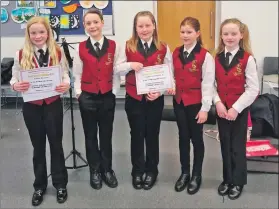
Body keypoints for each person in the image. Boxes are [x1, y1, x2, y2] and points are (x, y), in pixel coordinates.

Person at [10, 16, 69, 206]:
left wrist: (65, 85)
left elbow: (65, 75)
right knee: (38, 147)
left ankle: (60, 184)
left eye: (41, 32)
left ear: (48, 33)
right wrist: (16, 85)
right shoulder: (21, 54)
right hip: (32, 107)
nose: (38, 36)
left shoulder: (57, 52)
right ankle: (39, 186)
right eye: (33, 33)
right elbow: (14, 79)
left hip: (53, 104)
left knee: (56, 144)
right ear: (28, 34)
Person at [114, 11, 173, 190]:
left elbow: (169, 74)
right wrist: (130, 65)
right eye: (140, 26)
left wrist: (160, 91)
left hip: (155, 99)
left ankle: (152, 170)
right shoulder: (127, 46)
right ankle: (137, 171)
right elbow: (116, 69)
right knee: (137, 134)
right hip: (134, 98)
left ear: (154, 26)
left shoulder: (163, 47)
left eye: (148, 25)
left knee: (152, 135)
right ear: (135, 28)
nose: (144, 29)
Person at [73, 9, 128, 190]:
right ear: (84, 26)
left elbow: (117, 71)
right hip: (87, 97)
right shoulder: (81, 48)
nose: (92, 26)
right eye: (88, 23)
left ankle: (107, 170)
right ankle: (94, 170)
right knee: (90, 136)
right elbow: (77, 74)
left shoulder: (114, 46)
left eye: (95, 22)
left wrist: (113, 91)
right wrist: (80, 93)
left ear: (102, 23)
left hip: (106, 97)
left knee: (106, 135)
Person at [214, 18, 259, 200]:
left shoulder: (247, 59)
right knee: (225, 144)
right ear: (221, 36)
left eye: (233, 34)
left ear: (241, 35)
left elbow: (253, 88)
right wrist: (217, 102)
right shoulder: (216, 57)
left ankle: (238, 181)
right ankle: (227, 179)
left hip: (238, 112)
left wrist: (236, 108)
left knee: (237, 147)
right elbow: (211, 84)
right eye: (226, 34)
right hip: (221, 110)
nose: (229, 37)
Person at [168, 17, 215, 195]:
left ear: (197, 33)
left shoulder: (205, 56)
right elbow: (171, 74)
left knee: (197, 139)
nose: (185, 35)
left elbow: (208, 84)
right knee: (182, 138)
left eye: (189, 32)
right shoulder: (176, 52)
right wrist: (170, 84)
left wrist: (205, 109)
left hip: (196, 104)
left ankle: (197, 175)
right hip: (179, 102)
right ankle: (185, 172)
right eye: (183, 32)